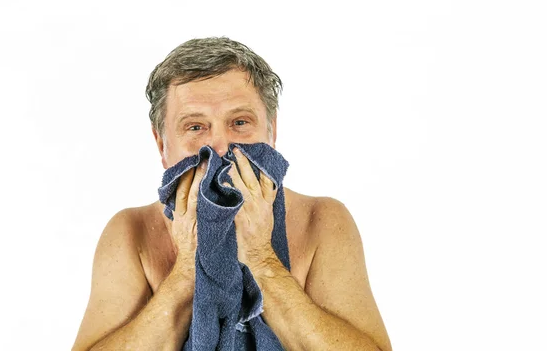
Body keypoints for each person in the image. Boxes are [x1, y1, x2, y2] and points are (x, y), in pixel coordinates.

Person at [71, 37, 392, 351]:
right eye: (196, 127)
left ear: (272, 131)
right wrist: (185, 273)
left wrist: (263, 260)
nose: (221, 147)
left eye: (240, 122)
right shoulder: (131, 232)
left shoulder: (321, 221)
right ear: (161, 145)